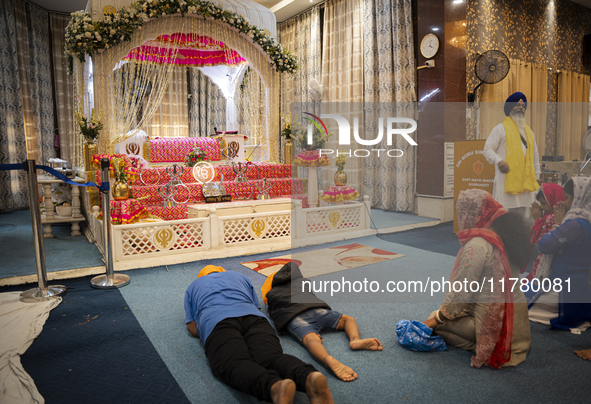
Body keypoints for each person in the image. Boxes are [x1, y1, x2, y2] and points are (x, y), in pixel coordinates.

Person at [184, 265, 334, 404]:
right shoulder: (239, 276)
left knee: (233, 362)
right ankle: (308, 376)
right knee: (270, 357)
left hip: (218, 321)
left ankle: (273, 387)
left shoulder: (193, 287)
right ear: (222, 271)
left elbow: (193, 329)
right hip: (255, 319)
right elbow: (257, 308)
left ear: (201, 277)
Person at [422, 189, 532, 368]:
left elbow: (460, 296)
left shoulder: (477, 245)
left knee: (436, 320)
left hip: (493, 324)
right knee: (448, 316)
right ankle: (488, 344)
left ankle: (484, 346)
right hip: (517, 325)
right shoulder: (507, 233)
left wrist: (434, 320)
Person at [261, 262, 382, 382]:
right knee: (347, 320)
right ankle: (355, 339)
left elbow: (270, 306)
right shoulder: (303, 282)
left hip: (295, 316)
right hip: (317, 310)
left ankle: (327, 358)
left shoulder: (272, 292)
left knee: (311, 339)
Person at [527, 178, 591, 337]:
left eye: (568, 198)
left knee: (513, 302)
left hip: (564, 290)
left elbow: (545, 245)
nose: (565, 203)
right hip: (580, 287)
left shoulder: (576, 223)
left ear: (579, 198)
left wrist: (557, 223)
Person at [483, 92, 540, 226]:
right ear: (509, 108)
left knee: (524, 217)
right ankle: (502, 243)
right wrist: (499, 161)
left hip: (526, 185)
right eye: (516, 105)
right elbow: (487, 149)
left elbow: (535, 159)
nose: (520, 108)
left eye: (522, 105)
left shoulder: (529, 132)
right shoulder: (500, 129)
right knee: (504, 216)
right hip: (506, 182)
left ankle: (520, 242)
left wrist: (536, 179)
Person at [524, 183, 565, 281]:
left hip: (546, 263)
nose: (541, 207)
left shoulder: (550, 218)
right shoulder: (559, 215)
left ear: (552, 200)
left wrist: (537, 219)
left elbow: (538, 241)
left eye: (543, 203)